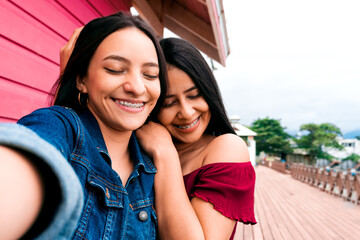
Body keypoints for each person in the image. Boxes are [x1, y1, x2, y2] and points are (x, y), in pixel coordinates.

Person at [0, 11, 167, 240]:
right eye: (114, 69)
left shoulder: (154, 167)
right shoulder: (61, 127)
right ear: (81, 80)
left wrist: (167, 153)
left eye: (150, 74)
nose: (137, 87)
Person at [135, 38, 257, 240]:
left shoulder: (227, 148)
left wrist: (166, 154)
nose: (186, 112)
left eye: (194, 95)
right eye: (169, 103)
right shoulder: (137, 146)